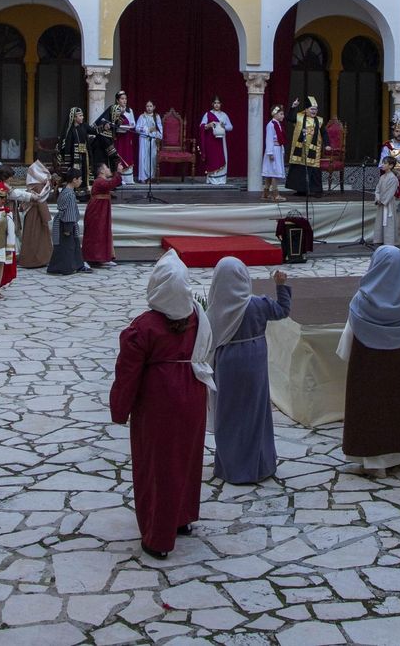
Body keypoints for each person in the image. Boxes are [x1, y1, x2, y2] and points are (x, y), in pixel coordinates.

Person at [108, 250, 214, 559]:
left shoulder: (144, 327)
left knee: (157, 467)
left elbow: (127, 373)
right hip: (192, 394)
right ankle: (181, 518)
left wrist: (120, 408)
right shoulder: (196, 316)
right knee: (186, 460)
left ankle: (158, 537)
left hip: (159, 402)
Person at [338, 247, 400, 475]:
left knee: (373, 407)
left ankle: (375, 464)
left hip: (370, 367)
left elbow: (350, 332)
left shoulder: (363, 300)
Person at [208, 259, 292, 484]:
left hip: (227, 363)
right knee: (255, 412)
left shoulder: (216, 309)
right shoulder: (257, 304)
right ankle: (259, 465)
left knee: (228, 413)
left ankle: (229, 466)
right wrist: (281, 286)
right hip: (254, 362)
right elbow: (283, 310)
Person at [46, 169, 86, 275]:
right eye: (80, 179)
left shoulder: (66, 191)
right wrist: (68, 228)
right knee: (67, 247)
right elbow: (69, 212)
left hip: (65, 222)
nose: (81, 181)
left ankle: (73, 266)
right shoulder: (69, 194)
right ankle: (65, 268)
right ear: (74, 180)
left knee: (68, 246)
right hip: (66, 224)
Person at [82, 165, 123, 268]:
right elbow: (111, 184)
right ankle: (92, 258)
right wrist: (118, 172)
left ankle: (104, 258)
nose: (109, 169)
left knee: (103, 233)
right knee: (96, 234)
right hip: (96, 213)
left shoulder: (101, 181)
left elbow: (111, 184)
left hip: (101, 212)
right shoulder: (99, 181)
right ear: (102, 171)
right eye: (107, 168)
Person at [18, 161, 54, 271]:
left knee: (30, 235)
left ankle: (28, 259)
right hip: (37, 214)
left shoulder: (32, 185)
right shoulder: (39, 186)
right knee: (38, 237)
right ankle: (38, 260)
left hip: (30, 213)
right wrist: (46, 217)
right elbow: (41, 202)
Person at [284, 97, 323, 196]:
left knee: (314, 169)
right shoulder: (299, 117)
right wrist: (293, 107)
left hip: (313, 150)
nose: (314, 111)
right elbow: (289, 118)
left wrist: (327, 144)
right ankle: (300, 190)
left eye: (315, 109)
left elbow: (324, 133)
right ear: (306, 109)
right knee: (299, 169)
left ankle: (316, 191)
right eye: (312, 109)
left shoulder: (319, 120)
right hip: (300, 149)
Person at [200, 98, 235, 186]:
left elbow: (230, 127)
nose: (216, 105)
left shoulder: (224, 115)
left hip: (221, 141)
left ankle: (221, 179)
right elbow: (201, 126)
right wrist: (209, 125)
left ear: (221, 104)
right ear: (212, 104)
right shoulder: (208, 114)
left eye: (218, 103)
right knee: (212, 159)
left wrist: (224, 126)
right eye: (215, 103)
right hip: (211, 141)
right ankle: (212, 179)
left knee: (222, 158)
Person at [58, 109, 94, 190]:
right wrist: (68, 162)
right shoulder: (70, 130)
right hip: (74, 157)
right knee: (76, 173)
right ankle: (75, 191)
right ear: (74, 118)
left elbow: (94, 131)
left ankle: (84, 191)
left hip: (85, 155)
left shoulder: (84, 126)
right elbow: (67, 147)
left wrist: (104, 126)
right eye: (80, 116)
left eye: (82, 115)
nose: (82, 117)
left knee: (85, 172)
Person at [260, 105, 287, 202]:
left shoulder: (278, 124)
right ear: (274, 114)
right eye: (281, 114)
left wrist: (282, 149)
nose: (283, 116)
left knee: (270, 172)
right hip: (273, 150)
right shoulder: (271, 125)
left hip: (277, 149)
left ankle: (265, 193)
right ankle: (275, 194)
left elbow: (280, 138)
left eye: (283, 114)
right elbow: (269, 139)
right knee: (274, 172)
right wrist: (270, 153)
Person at [136, 102, 165, 185]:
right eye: (147, 106)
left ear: (154, 107)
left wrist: (157, 135)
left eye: (150, 106)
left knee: (152, 158)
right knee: (143, 158)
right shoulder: (142, 116)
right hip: (143, 139)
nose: (149, 108)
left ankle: (151, 177)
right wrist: (148, 129)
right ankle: (143, 177)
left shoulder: (156, 117)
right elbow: (137, 128)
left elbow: (160, 129)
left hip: (153, 140)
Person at [373, 158, 400, 245]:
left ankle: (389, 241)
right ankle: (380, 239)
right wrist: (378, 199)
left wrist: (383, 200)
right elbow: (377, 189)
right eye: (382, 163)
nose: (382, 165)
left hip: (388, 204)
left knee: (388, 222)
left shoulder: (393, 178)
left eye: (385, 163)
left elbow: (390, 192)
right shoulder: (382, 177)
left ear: (391, 166)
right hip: (381, 202)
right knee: (380, 221)